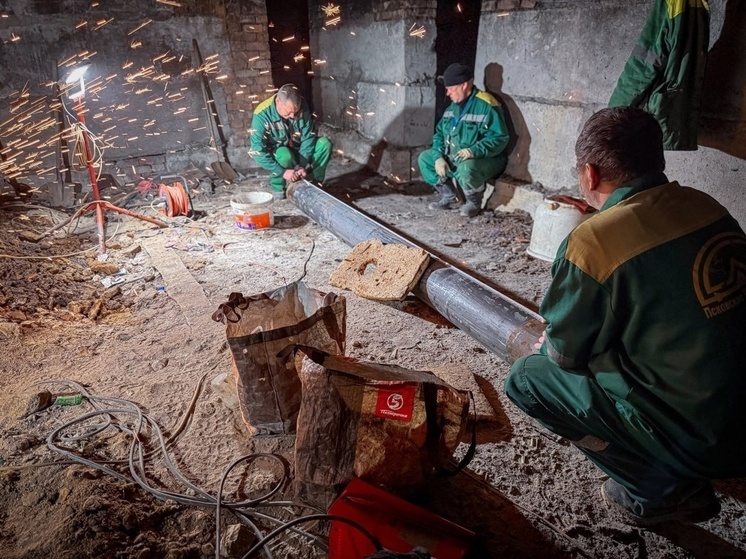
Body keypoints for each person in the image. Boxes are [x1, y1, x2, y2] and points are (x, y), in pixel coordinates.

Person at [504, 107, 746, 525]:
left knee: (529, 380)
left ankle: (664, 492)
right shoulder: (705, 205)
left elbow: (563, 356)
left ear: (590, 175)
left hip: (710, 441)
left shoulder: (593, 242)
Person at [418, 63, 510, 217]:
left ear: (465, 85)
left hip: (485, 160)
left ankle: (474, 203)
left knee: (467, 168)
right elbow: (439, 134)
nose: (447, 93)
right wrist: (439, 157)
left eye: (451, 88)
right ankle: (449, 196)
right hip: (457, 157)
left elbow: (499, 137)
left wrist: (474, 151)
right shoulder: (452, 108)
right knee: (425, 159)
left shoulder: (487, 104)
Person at [249, 83, 332, 199]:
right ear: (278, 102)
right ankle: (278, 187)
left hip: (298, 147)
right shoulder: (261, 114)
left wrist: (302, 166)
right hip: (279, 151)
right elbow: (256, 151)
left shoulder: (301, 105)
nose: (293, 116)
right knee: (284, 154)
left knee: (325, 144)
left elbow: (308, 137)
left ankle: (312, 182)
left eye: (295, 112)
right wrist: (283, 172)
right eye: (288, 112)